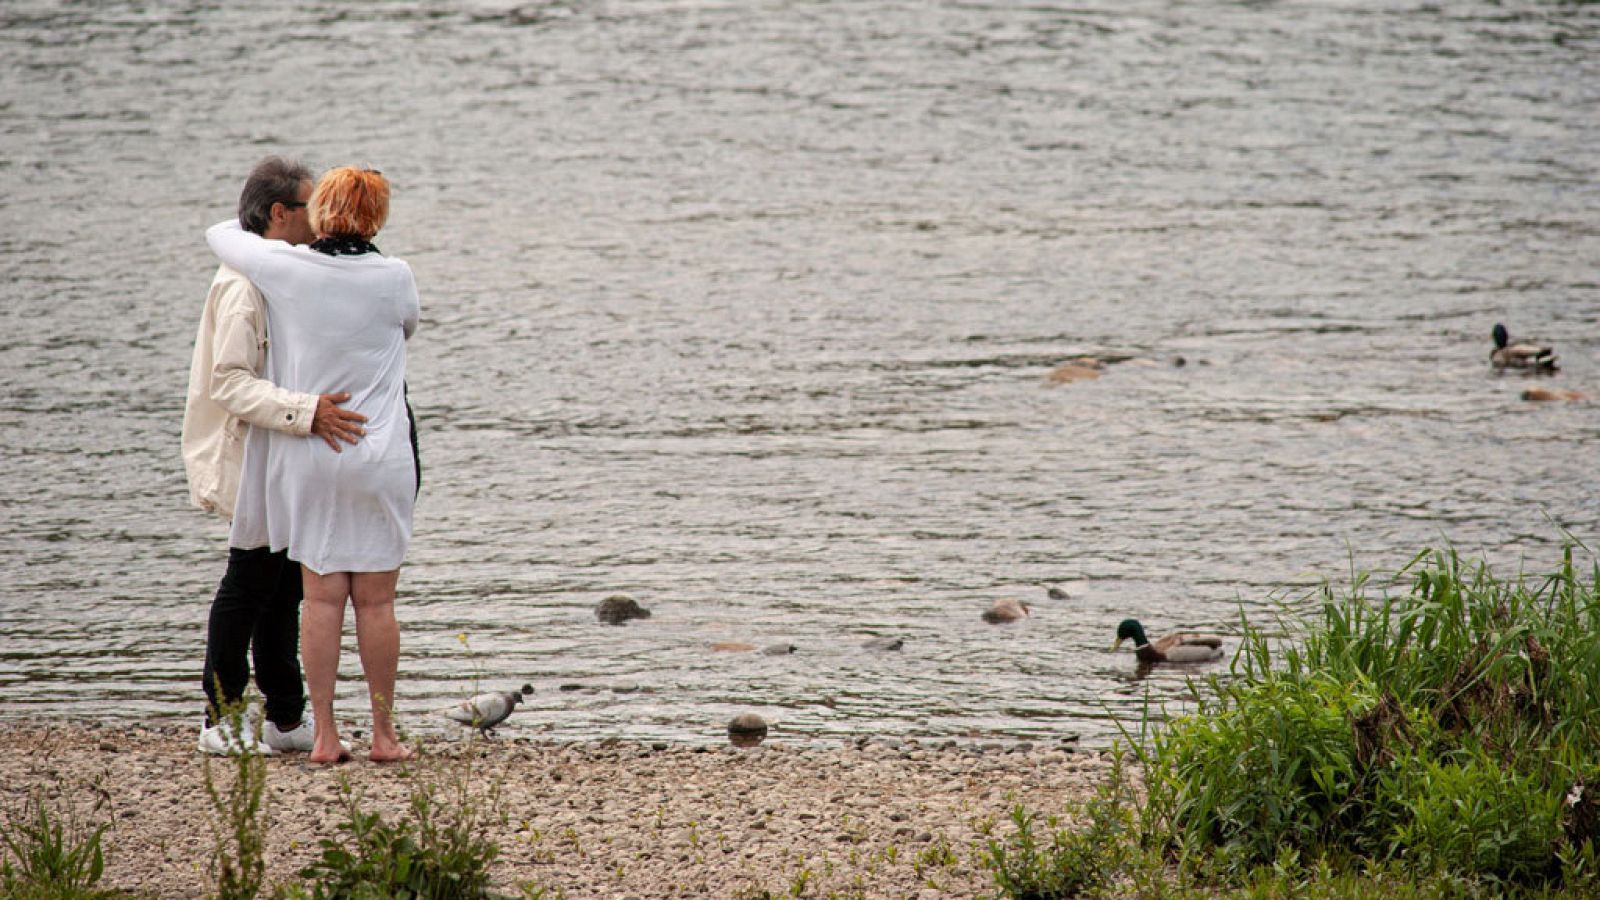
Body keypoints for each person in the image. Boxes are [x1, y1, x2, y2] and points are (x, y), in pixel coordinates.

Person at [206, 166, 420, 764]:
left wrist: (282, 226)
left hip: (312, 454)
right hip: (379, 453)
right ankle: (383, 736)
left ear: (321, 212)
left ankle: (323, 735)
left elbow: (220, 232)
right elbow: (407, 328)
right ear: (378, 217)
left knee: (321, 601)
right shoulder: (395, 276)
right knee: (376, 603)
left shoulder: (284, 269)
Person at [182, 157, 369, 756]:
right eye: (312, 207)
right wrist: (308, 411)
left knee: (285, 588)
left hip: (281, 458)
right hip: (251, 457)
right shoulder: (243, 287)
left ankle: (285, 719)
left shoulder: (276, 272)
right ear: (281, 213)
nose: (323, 219)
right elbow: (229, 383)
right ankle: (220, 719)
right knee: (247, 587)